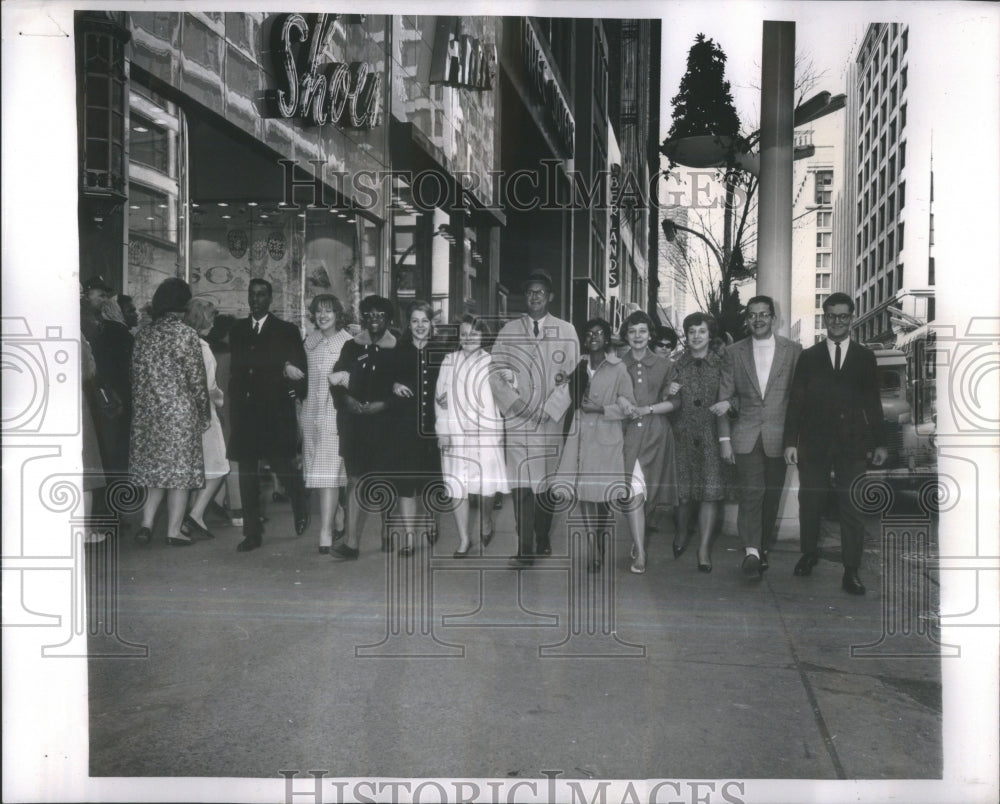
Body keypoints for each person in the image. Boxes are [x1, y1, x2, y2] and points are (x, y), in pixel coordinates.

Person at [784, 292, 887, 595]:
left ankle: (851, 571)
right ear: (824, 318)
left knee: (852, 506)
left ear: (852, 318)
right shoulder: (809, 356)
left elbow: (873, 403)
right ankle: (808, 554)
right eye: (832, 316)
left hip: (852, 445)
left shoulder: (865, 357)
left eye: (844, 316)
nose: (838, 321)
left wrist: (880, 443)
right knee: (810, 502)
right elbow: (796, 403)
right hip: (813, 444)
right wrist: (791, 442)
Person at [489, 269, 579, 568]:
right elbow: (496, 373)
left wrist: (550, 408)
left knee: (546, 484)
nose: (535, 296)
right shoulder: (508, 332)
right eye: (530, 292)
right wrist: (516, 405)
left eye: (541, 292)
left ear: (550, 297)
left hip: (549, 422)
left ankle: (542, 537)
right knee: (522, 486)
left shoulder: (566, 331)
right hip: (519, 422)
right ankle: (524, 546)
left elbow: (573, 379)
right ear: (524, 297)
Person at [714, 295, 802, 578]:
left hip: (780, 436)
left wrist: (795, 440)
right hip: (746, 435)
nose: (758, 320)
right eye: (752, 315)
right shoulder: (734, 352)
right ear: (747, 319)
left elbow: (798, 399)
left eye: (764, 314)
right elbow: (725, 398)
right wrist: (724, 440)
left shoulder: (793, 350)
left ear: (774, 319)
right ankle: (751, 552)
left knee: (772, 496)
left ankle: (761, 548)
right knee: (752, 493)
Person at [227, 278, 309, 552]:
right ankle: (252, 533)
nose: (256, 299)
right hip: (246, 414)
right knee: (247, 475)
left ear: (270, 298)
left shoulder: (286, 330)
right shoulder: (238, 329)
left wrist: (286, 377)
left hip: (274, 413)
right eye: (252, 294)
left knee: (283, 469)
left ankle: (300, 505)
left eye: (261, 295)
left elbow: (299, 374)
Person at [129, 278, 210, 547]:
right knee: (179, 476)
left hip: (148, 414)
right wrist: (203, 414)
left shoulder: (144, 335)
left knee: (155, 474)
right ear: (183, 303)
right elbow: (196, 381)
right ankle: (174, 531)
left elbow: (135, 377)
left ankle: (146, 524)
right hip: (179, 413)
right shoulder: (186, 335)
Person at [553, 319, 638, 572]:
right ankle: (592, 545)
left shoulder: (618, 368)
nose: (593, 338)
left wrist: (601, 409)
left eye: (599, 334)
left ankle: (598, 539)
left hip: (605, 437)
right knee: (583, 493)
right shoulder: (577, 365)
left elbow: (629, 407)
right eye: (589, 334)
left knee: (600, 497)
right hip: (579, 437)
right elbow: (564, 396)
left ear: (607, 339)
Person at [328, 295, 400, 561]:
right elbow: (336, 380)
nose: (374, 320)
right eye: (369, 315)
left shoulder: (399, 348)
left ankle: (387, 533)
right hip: (355, 423)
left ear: (389, 319)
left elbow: (406, 388)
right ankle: (351, 543)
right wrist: (348, 401)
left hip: (386, 424)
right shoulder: (351, 347)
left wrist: (384, 405)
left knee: (385, 480)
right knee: (355, 479)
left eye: (380, 315)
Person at [435, 315, 509, 557]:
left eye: (474, 333)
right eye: (464, 333)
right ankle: (464, 539)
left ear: (482, 336)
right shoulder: (449, 362)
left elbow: (506, 393)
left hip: (486, 434)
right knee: (458, 486)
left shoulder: (492, 362)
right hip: (456, 435)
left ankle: (486, 520)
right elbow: (440, 401)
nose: (468, 338)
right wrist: (443, 432)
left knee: (487, 487)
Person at [671, 311, 731, 572]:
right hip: (681, 436)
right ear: (686, 336)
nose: (696, 336)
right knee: (683, 495)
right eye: (692, 332)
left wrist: (728, 403)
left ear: (710, 335)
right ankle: (682, 533)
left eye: (702, 331)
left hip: (710, 436)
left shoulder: (722, 364)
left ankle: (704, 548)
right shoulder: (675, 365)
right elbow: (665, 399)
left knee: (709, 495)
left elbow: (737, 395)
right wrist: (667, 391)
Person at [620, 310, 680, 560]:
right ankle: (641, 551)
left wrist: (649, 408)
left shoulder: (665, 365)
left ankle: (638, 539)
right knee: (633, 491)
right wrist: (622, 402)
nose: (637, 336)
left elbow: (675, 403)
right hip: (627, 435)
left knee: (651, 495)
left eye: (642, 331)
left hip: (657, 434)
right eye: (632, 331)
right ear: (626, 335)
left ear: (649, 335)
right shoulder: (617, 364)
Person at [391, 300, 445, 555]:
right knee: (406, 483)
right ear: (408, 324)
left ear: (431, 323)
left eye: (424, 321)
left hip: (433, 428)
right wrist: (393, 386)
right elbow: (383, 380)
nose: (420, 326)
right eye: (415, 321)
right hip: (403, 428)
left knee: (431, 481)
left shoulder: (442, 352)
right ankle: (410, 538)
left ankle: (432, 521)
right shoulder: (398, 351)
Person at [301, 294, 352, 554]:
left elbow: (359, 379)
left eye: (328, 311)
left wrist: (345, 378)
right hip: (310, 413)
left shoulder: (348, 343)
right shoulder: (310, 343)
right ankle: (338, 512)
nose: (323, 316)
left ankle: (326, 531)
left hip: (334, 414)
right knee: (318, 472)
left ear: (337, 314)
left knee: (328, 471)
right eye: (318, 311)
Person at [181, 298, 230, 541]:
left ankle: (185, 519)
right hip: (205, 414)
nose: (213, 323)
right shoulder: (203, 349)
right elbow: (210, 387)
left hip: (181, 414)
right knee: (220, 466)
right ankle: (196, 513)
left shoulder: (180, 343)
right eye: (211, 318)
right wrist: (222, 400)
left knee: (194, 470)